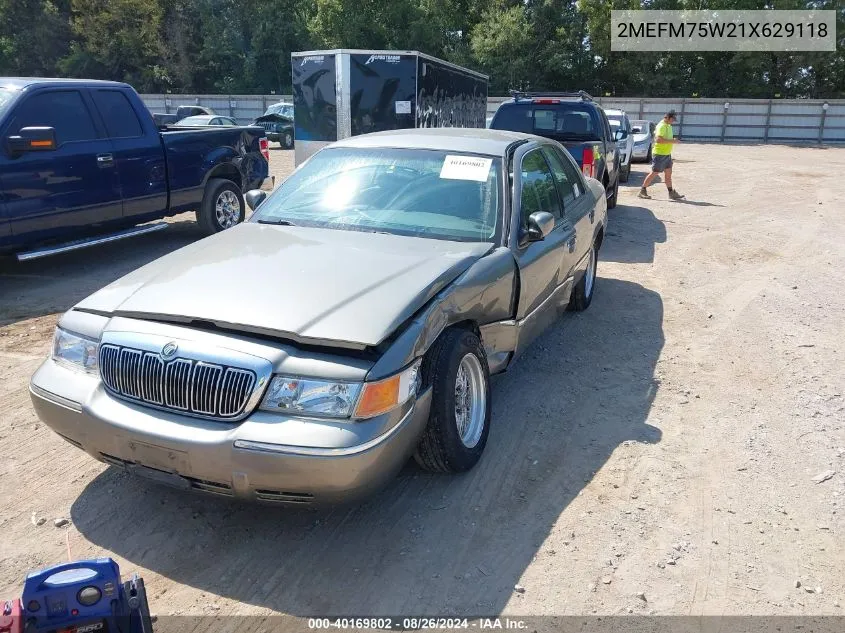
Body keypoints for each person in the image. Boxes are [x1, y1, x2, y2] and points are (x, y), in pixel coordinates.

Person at [638, 110, 684, 200]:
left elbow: (666, 138)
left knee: (668, 174)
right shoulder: (661, 126)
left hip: (667, 154)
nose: (673, 121)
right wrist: (673, 141)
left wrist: (673, 139)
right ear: (668, 118)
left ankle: (671, 193)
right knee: (654, 173)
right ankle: (642, 191)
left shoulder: (668, 126)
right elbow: (658, 140)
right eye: (672, 119)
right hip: (659, 154)